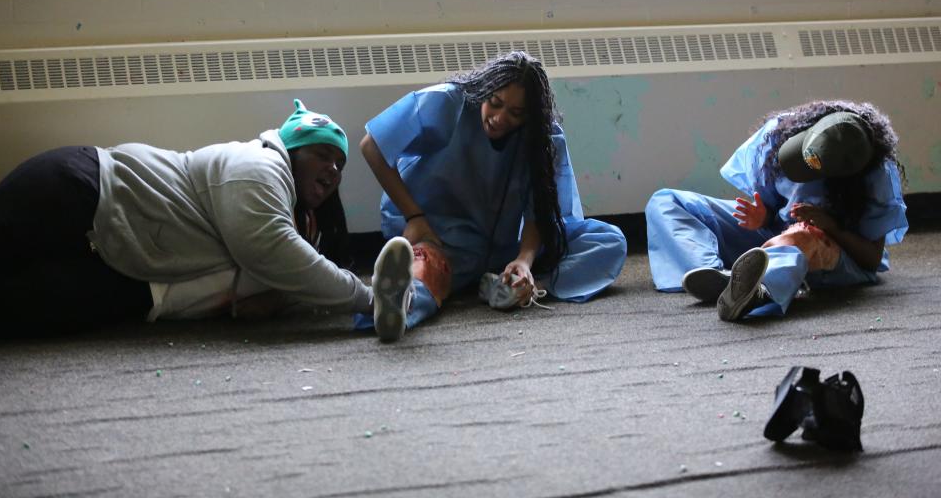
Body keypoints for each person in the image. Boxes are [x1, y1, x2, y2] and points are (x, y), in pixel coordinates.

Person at [0, 99, 410, 340]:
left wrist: (279, 298)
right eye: (322, 154)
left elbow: (266, 273)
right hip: (84, 191)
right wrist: (368, 297)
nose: (334, 170)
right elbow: (270, 250)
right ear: (292, 150)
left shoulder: (290, 208)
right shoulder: (257, 166)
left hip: (123, 268)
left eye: (340, 164)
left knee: (7, 314)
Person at [356, 51, 628, 336]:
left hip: (504, 251)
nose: (499, 118)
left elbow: (540, 210)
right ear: (483, 90)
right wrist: (414, 216)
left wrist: (524, 260)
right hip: (441, 239)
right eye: (495, 103)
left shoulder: (545, 139)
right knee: (426, 271)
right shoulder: (446, 102)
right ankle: (398, 305)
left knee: (609, 241)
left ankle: (516, 287)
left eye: (515, 113)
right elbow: (371, 146)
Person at [645, 100, 907, 321]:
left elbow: (870, 260)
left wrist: (831, 227)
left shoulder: (876, 175)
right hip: (773, 234)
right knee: (666, 201)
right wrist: (764, 216)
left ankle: (759, 290)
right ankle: (721, 279)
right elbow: (773, 208)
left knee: (802, 237)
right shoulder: (781, 131)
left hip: (832, 253)